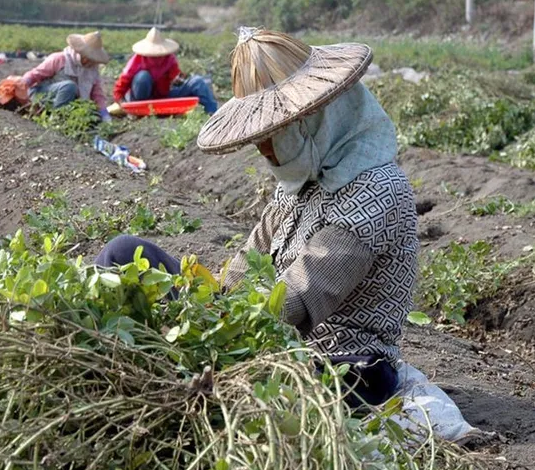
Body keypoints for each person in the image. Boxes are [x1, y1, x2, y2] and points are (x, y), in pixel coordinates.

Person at [96, 28, 418, 408]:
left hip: (340, 364)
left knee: (245, 386)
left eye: (273, 135)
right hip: (265, 335)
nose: (263, 148)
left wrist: (211, 324)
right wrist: (210, 299)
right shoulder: (301, 180)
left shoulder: (377, 192)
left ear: (312, 119)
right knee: (124, 253)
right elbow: (250, 260)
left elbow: (295, 301)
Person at [113, 27, 219, 114]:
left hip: (163, 95)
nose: (157, 58)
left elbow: (175, 75)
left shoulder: (169, 59)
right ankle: (141, 109)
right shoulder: (136, 61)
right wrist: (122, 103)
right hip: (141, 98)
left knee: (197, 81)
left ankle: (213, 113)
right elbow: (121, 86)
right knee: (143, 77)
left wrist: (178, 79)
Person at [21, 31, 111, 121]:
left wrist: (104, 113)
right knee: (69, 86)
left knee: (91, 112)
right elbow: (36, 74)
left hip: (68, 104)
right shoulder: (60, 59)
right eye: (86, 57)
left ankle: (65, 118)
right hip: (43, 97)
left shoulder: (92, 71)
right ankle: (56, 119)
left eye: (91, 59)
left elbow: (97, 94)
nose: (88, 62)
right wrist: (22, 83)